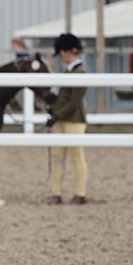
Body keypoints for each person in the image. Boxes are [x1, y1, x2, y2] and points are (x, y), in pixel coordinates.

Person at [44, 32, 88, 205]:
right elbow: (64, 97)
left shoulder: (81, 72)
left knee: (77, 156)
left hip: (75, 120)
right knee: (57, 156)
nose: (61, 56)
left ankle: (81, 192)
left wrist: (57, 114)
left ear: (66, 52)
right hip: (62, 119)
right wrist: (52, 103)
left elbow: (74, 102)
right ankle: (56, 192)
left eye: (61, 53)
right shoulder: (67, 71)